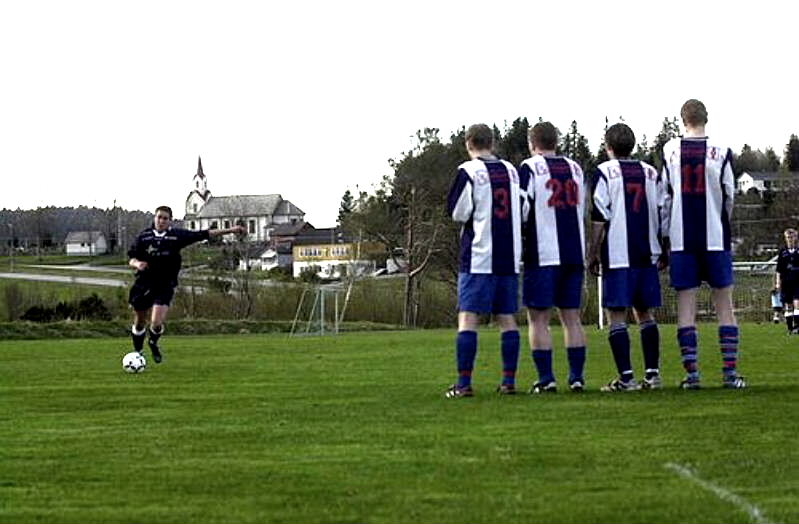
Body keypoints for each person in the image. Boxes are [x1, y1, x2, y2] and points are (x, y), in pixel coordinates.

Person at [661, 99, 746, 389]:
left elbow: (665, 197)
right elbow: (729, 193)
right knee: (725, 306)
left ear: (682, 120)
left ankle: (693, 375)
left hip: (682, 239)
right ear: (706, 118)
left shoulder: (670, 150)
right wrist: (721, 221)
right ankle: (730, 374)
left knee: (686, 307)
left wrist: (665, 234)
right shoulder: (722, 151)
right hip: (715, 237)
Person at [445, 124, 525, 398]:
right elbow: (523, 207)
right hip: (509, 256)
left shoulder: (468, 171)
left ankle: (464, 383)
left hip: (479, 255)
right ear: (492, 142)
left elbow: (458, 212)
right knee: (507, 318)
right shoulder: (511, 171)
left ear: (469, 143)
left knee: (468, 317)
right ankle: (508, 381)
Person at [586, 123, 666, 392]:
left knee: (616, 315)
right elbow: (663, 210)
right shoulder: (650, 172)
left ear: (608, 146)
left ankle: (627, 378)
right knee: (645, 313)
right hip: (647, 252)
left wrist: (593, 253)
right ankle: (653, 375)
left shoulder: (604, 172)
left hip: (618, 254)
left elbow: (600, 216)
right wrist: (664, 247)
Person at [519, 121, 587, 393]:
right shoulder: (575, 168)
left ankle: (546, 379)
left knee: (538, 319)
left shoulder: (529, 167)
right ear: (555, 142)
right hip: (574, 252)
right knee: (572, 318)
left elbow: (523, 208)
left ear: (532, 143)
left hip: (543, 253)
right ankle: (577, 377)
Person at [127, 205, 245, 363]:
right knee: (140, 321)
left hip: (165, 284)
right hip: (144, 283)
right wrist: (137, 264)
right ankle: (138, 353)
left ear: (170, 221)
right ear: (154, 218)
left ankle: (153, 342)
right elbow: (132, 257)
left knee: (156, 323)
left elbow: (204, 234)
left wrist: (231, 230)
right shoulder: (144, 237)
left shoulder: (177, 236)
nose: (161, 221)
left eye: (165, 218)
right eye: (159, 217)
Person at [775, 228, 799, 333]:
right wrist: (777, 283)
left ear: (795, 238)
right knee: (788, 306)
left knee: (797, 303)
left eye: (792, 237)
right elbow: (778, 270)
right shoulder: (782, 252)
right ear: (785, 239)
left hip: (797, 282)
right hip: (786, 283)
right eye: (788, 237)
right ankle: (790, 328)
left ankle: (797, 327)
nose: (790, 239)